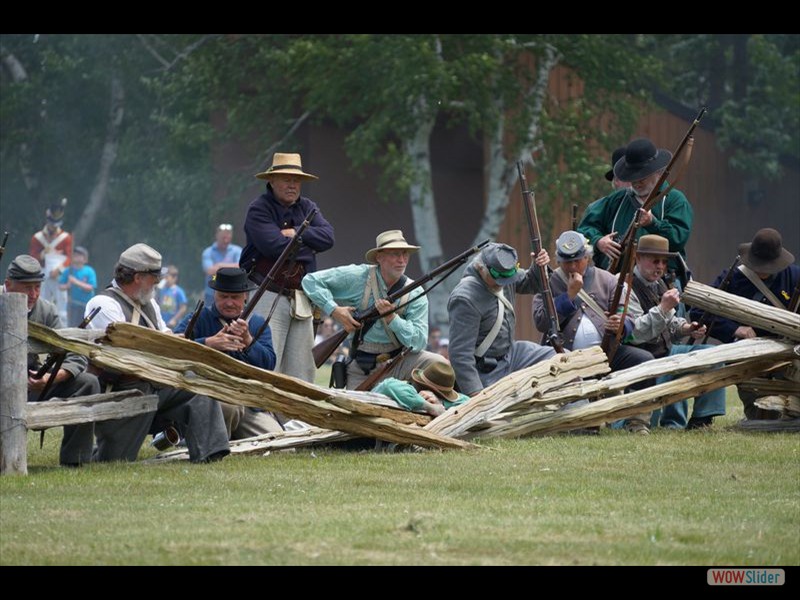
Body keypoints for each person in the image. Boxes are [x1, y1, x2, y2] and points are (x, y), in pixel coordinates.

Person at [83, 243, 230, 463]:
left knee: (196, 385)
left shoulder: (149, 302)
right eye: (154, 277)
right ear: (138, 277)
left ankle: (211, 453)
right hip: (124, 386)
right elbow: (120, 354)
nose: (158, 283)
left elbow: (165, 336)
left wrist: (180, 343)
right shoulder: (103, 304)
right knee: (114, 460)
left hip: (155, 380)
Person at [533, 231, 654, 434]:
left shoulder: (607, 279)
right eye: (566, 262)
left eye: (577, 261)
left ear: (587, 257)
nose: (571, 266)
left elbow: (629, 317)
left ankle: (637, 421)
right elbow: (541, 322)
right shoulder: (548, 282)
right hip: (566, 357)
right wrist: (569, 296)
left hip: (606, 354)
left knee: (644, 360)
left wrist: (621, 326)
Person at [302, 229, 444, 390]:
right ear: (379, 257)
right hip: (361, 366)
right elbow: (310, 281)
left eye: (405, 254)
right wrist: (334, 310)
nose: (402, 260)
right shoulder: (358, 276)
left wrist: (392, 319)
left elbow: (418, 343)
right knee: (354, 411)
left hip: (398, 362)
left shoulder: (415, 292)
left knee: (439, 365)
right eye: (395, 254)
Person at [242, 152, 335, 383]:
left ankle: (293, 420)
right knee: (265, 366)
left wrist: (296, 235)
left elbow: (328, 238)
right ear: (272, 181)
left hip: (301, 298)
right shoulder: (259, 209)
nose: (292, 185)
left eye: (296, 180)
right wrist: (308, 245)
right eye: (286, 179)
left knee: (302, 371)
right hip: (266, 291)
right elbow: (274, 247)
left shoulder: (308, 207)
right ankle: (262, 418)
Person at [690, 228, 799, 420]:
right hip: (747, 353)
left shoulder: (794, 277)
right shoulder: (732, 277)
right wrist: (735, 329)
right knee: (760, 417)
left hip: (787, 353)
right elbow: (700, 311)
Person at [5, 254, 101, 466]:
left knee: (88, 383)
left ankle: (75, 460)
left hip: (34, 386)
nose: (33, 294)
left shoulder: (46, 310)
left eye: (37, 287)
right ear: (8, 285)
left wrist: (51, 377)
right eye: (27, 287)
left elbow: (74, 353)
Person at [626, 235, 726, 429]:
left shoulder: (660, 284)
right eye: (655, 261)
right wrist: (663, 308)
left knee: (714, 355)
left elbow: (670, 323)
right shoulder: (624, 287)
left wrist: (687, 328)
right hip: (643, 359)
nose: (661, 266)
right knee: (647, 422)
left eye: (664, 262)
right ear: (638, 259)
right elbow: (635, 334)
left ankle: (701, 420)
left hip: (667, 352)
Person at [174, 267, 282, 439]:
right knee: (228, 408)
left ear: (245, 296)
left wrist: (248, 341)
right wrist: (207, 343)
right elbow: (173, 349)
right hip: (210, 395)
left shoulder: (256, 323)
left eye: (235, 297)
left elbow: (268, 364)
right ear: (215, 294)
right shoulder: (198, 317)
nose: (229, 302)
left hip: (249, 402)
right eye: (224, 296)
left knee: (277, 441)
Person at [578, 138, 693, 287]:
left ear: (657, 172)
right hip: (615, 283)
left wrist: (653, 223)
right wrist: (598, 241)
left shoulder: (675, 200)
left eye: (642, 177)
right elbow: (584, 230)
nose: (637, 182)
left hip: (663, 284)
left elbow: (678, 239)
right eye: (633, 177)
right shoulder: (616, 200)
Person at [448, 242, 556, 397]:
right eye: (499, 280)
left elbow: (531, 284)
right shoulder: (465, 298)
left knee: (559, 359)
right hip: (486, 369)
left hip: (511, 353)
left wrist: (539, 266)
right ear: (480, 268)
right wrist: (477, 396)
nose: (504, 284)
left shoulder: (504, 273)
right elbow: (460, 355)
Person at [29, 198, 72, 324]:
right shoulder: (37, 238)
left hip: (59, 275)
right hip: (42, 273)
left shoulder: (66, 238)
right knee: (41, 301)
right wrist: (43, 254)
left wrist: (59, 270)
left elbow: (69, 258)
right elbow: (32, 257)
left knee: (62, 305)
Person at [373, 362, 468, 417]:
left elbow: (467, 401)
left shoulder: (445, 400)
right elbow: (388, 385)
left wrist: (441, 403)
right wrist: (428, 406)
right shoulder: (403, 387)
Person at [202, 224, 243, 306]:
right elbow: (210, 271)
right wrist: (232, 268)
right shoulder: (208, 252)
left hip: (233, 293)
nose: (226, 241)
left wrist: (219, 266)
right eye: (223, 238)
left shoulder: (237, 251)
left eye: (228, 238)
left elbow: (241, 268)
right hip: (211, 294)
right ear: (217, 236)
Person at [58, 246, 97, 327]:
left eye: (80, 255)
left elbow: (90, 288)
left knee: (86, 325)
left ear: (85, 259)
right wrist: (67, 285)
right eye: (75, 254)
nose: (76, 256)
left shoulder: (89, 271)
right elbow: (60, 286)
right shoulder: (68, 271)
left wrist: (76, 282)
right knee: (72, 326)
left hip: (86, 306)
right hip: (72, 305)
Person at [157, 265, 188, 330]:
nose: (165, 279)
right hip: (163, 322)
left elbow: (183, 308)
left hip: (174, 325)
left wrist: (174, 320)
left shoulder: (179, 291)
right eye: (164, 277)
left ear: (174, 278)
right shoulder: (162, 289)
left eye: (167, 277)